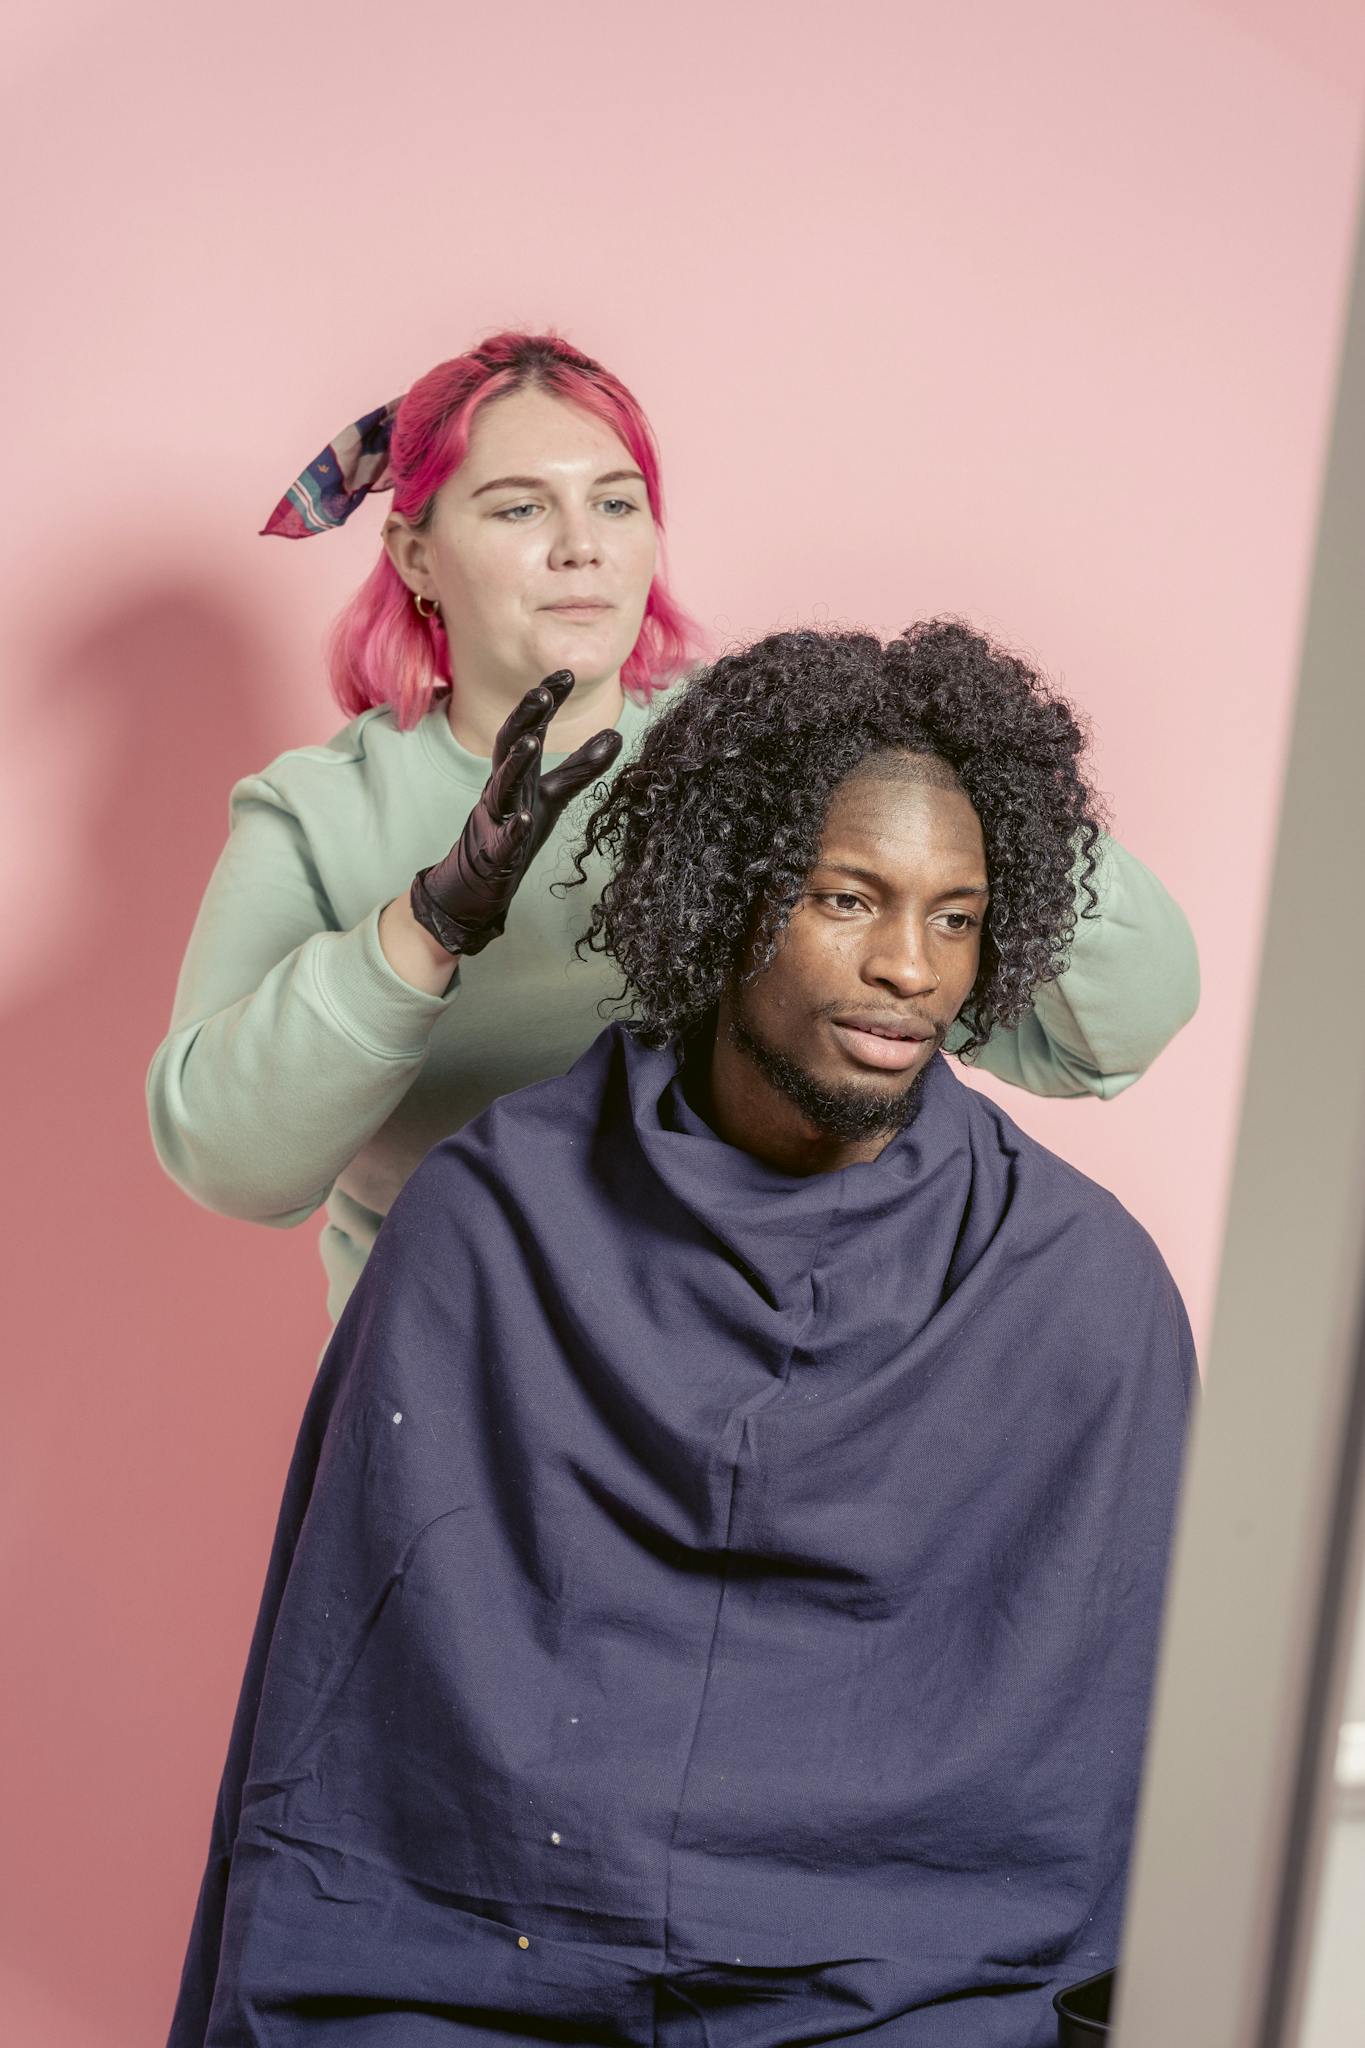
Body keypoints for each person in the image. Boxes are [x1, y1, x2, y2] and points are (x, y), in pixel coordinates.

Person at [169, 624, 1195, 2047]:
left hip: (900, 1989)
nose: (908, 968)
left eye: (954, 916)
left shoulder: (1079, 1294)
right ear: (727, 892)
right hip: (478, 1967)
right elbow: (350, 1750)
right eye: (850, 898)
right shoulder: (489, 1221)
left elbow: (1110, 1814)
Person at [146, 331, 1199, 1326]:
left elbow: (1112, 1033)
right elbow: (235, 1164)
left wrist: (974, 766)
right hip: (457, 1371)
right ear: (415, 554)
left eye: (616, 502)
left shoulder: (765, 762)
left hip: (749, 1353)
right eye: (519, 510)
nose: (580, 548)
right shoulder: (316, 813)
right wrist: (425, 924)